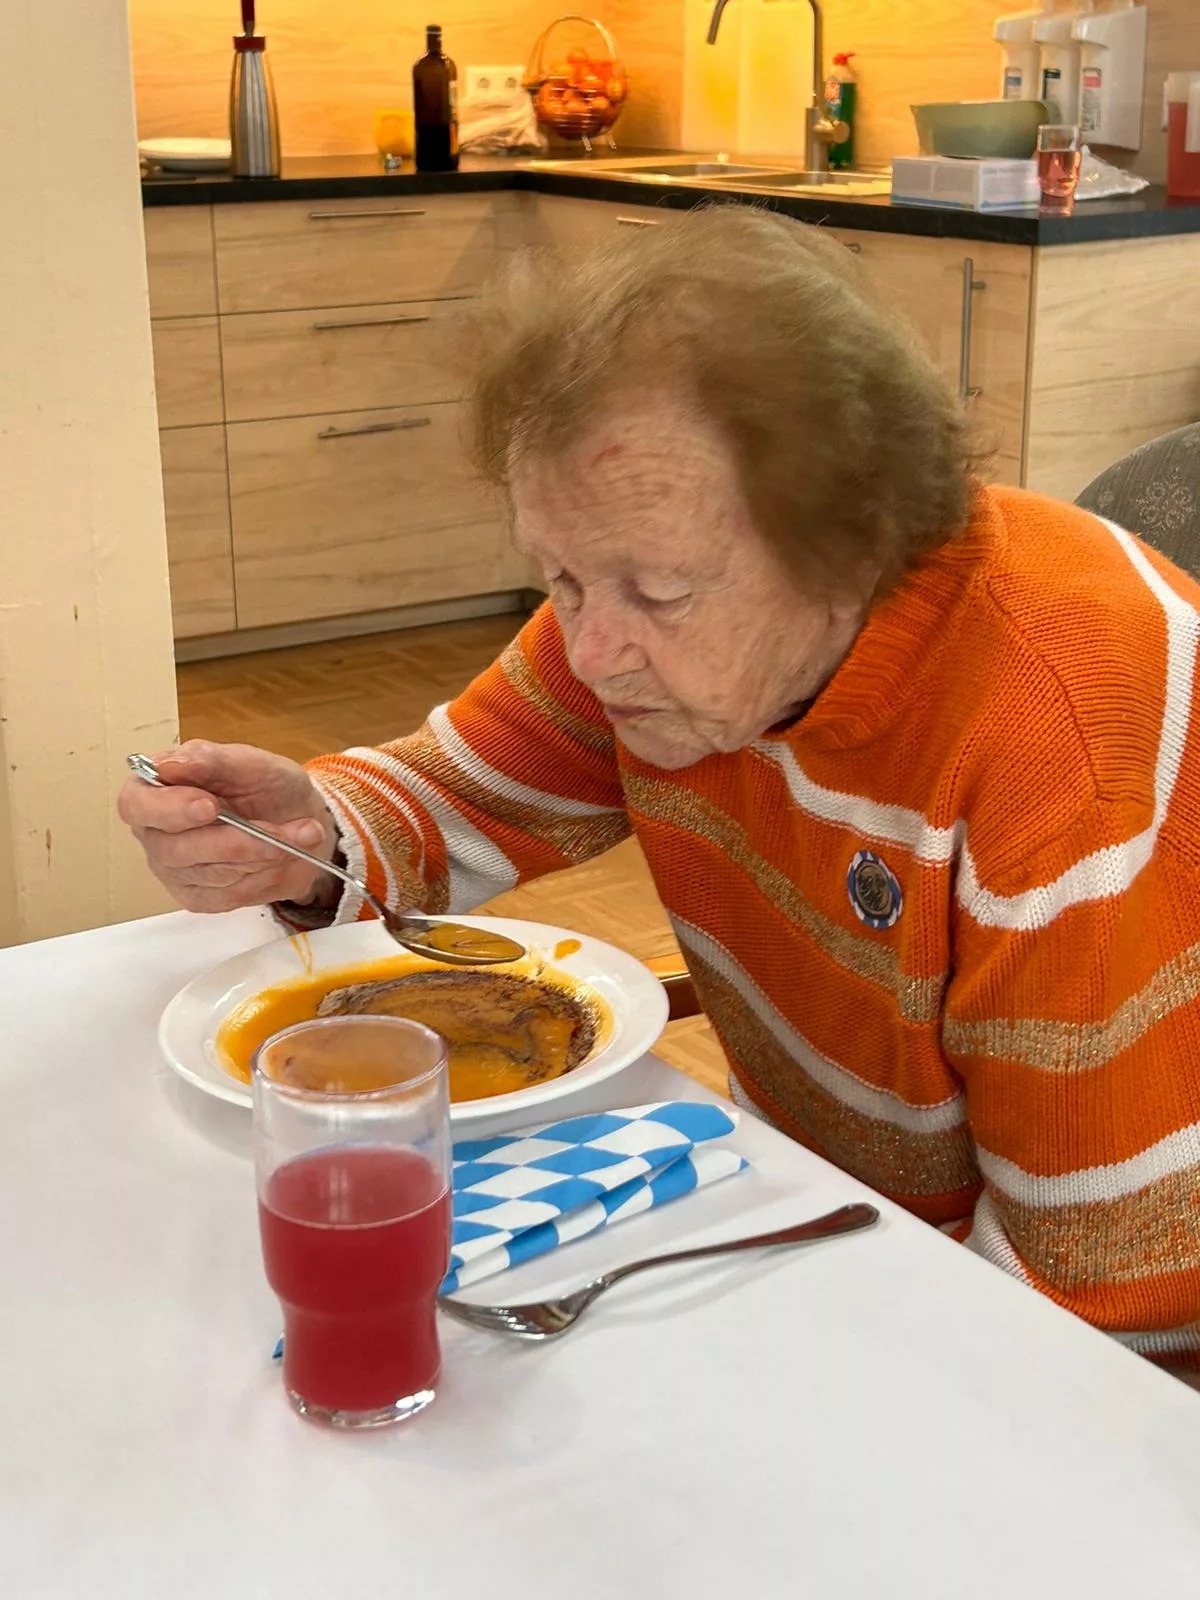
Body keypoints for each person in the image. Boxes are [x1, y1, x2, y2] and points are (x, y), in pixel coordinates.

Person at [121, 206, 1200, 1369]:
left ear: (854, 547)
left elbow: (1106, 1304)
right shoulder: (650, 616)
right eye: (559, 576)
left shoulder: (1070, 754)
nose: (590, 652)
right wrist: (309, 832)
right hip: (828, 1206)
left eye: (659, 592)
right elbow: (461, 798)